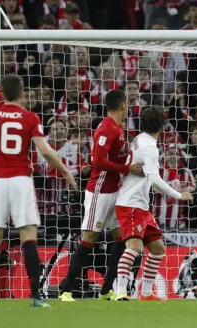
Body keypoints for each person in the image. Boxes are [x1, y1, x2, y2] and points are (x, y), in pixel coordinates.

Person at [0, 75, 78, 308]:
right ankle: (36, 297)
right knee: (28, 236)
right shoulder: (30, 117)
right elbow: (45, 151)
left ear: (2, 95)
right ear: (22, 94)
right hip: (21, 180)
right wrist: (66, 172)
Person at [58, 90, 144, 302]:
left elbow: (99, 156)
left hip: (115, 190)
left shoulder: (118, 128)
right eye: (127, 105)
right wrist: (128, 168)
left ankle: (106, 290)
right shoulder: (108, 127)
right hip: (100, 191)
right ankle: (65, 289)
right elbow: (98, 162)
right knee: (89, 239)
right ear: (123, 105)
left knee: (120, 238)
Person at [113, 106, 193, 301]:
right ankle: (120, 291)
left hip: (140, 203)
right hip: (131, 203)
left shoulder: (139, 139)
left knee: (157, 248)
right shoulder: (149, 147)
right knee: (134, 247)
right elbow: (155, 179)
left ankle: (147, 293)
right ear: (163, 125)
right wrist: (178, 194)